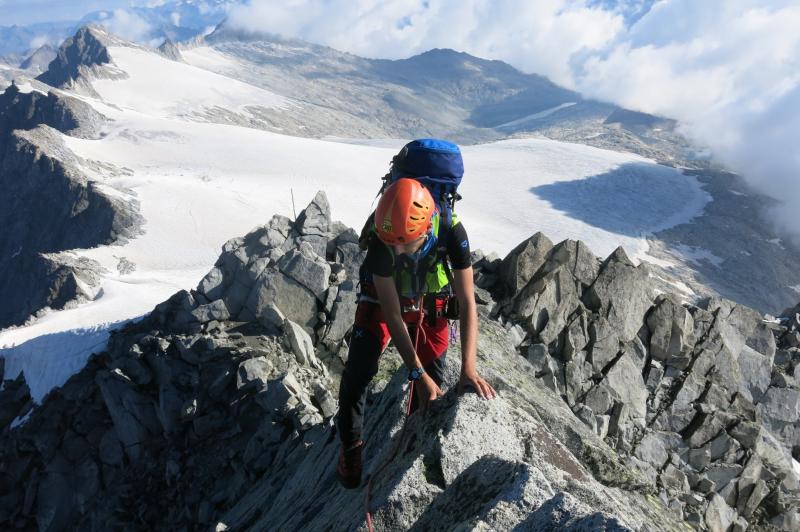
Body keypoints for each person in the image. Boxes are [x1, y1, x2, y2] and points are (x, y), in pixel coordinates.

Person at [336, 142, 497, 490]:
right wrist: (415, 372)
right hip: (384, 300)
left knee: (433, 391)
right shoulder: (382, 239)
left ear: (426, 228)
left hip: (433, 300)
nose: (397, 250)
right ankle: (351, 449)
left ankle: (412, 447)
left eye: (404, 244)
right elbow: (392, 314)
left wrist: (468, 368)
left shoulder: (452, 232)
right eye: (392, 242)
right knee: (357, 377)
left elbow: (468, 302)